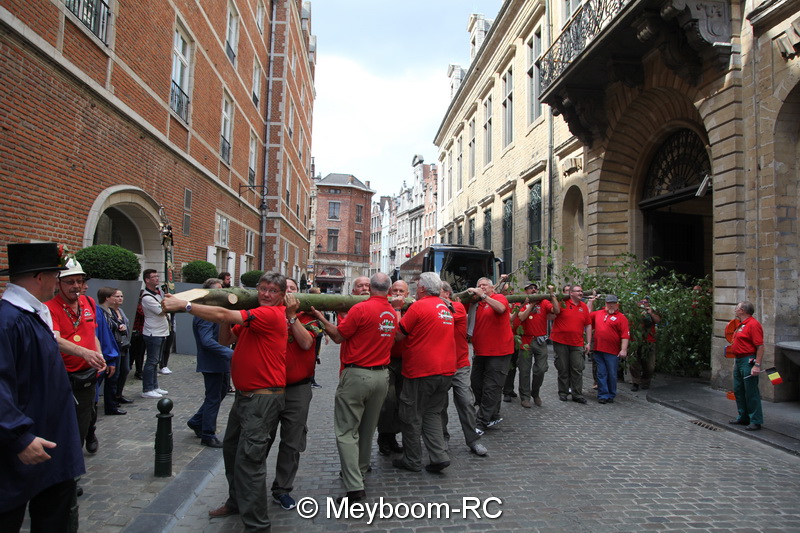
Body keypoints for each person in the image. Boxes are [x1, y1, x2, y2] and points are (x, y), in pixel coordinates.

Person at [163, 272, 292, 531]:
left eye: (272, 291)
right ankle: (236, 502)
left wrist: (185, 306)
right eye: (263, 289)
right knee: (232, 452)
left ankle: (257, 525)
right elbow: (225, 339)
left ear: (282, 296)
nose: (266, 294)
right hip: (245, 397)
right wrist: (229, 307)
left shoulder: (270, 314)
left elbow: (222, 316)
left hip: (262, 398)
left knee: (250, 461)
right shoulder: (254, 316)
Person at [0, 242, 86, 533]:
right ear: (40, 277)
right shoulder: (8, 321)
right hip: (22, 447)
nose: (57, 281)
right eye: (56, 275)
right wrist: (19, 437)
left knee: (54, 516)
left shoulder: (32, 314)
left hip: (50, 439)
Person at [310, 272, 397, 503]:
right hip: (381, 376)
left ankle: (354, 487)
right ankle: (360, 469)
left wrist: (321, 318)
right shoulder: (391, 312)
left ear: (371, 288)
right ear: (388, 290)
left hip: (358, 374)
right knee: (368, 429)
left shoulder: (361, 309)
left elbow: (338, 337)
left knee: (347, 432)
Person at [391, 272, 455, 473]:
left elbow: (398, 334)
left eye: (417, 285)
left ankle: (412, 459)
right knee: (432, 413)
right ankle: (438, 455)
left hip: (422, 371)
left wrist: (397, 310)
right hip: (445, 371)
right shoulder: (445, 307)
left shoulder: (419, 306)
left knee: (410, 415)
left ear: (422, 288)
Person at [45, 259, 107, 455]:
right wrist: (84, 353)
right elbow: (55, 339)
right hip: (63, 376)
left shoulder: (88, 302)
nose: (76, 286)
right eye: (70, 282)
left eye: (80, 281)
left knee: (84, 418)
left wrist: (98, 354)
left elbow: (92, 334)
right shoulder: (49, 308)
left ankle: (77, 454)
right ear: (58, 283)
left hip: (87, 374)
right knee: (63, 424)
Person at [268, 277, 319, 511]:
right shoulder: (266, 314)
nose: (288, 292)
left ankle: (282, 488)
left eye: (292, 289)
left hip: (298, 388)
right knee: (260, 440)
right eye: (284, 289)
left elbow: (306, 343)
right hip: (268, 388)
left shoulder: (309, 317)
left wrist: (291, 317)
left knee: (292, 441)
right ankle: (248, 489)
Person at [440, 282, 487, 456]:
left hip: (459, 365)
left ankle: (473, 439)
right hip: (441, 365)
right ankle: (442, 438)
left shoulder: (457, 307)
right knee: (440, 405)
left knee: (466, 402)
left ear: (447, 294)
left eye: (438, 292)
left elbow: (444, 318)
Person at [186, 278, 233, 448]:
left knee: (221, 392)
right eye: (218, 290)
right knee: (213, 397)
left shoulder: (215, 310)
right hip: (212, 362)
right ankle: (208, 434)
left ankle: (196, 421)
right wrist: (230, 353)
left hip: (221, 361)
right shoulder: (205, 313)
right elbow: (206, 341)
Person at [467, 277, 515, 429]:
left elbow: (501, 309)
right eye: (479, 285)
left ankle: (481, 421)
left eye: (485, 285)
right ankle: (492, 414)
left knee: (491, 387)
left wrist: (483, 295)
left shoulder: (498, 297)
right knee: (476, 384)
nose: (482, 287)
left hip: (499, 352)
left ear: (492, 288)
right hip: (480, 351)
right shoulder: (476, 303)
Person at [541, 284, 592, 403]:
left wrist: (588, 342)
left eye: (581, 291)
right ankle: (563, 392)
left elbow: (588, 325)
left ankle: (577, 394)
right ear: (571, 293)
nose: (581, 293)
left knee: (577, 368)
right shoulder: (562, 303)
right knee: (563, 367)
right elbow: (552, 313)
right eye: (578, 291)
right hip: (561, 341)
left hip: (577, 342)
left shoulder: (583, 307)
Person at [377, 279, 408, 456]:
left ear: (407, 294)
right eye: (394, 290)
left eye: (401, 291)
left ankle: (393, 436)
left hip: (405, 361)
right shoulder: (387, 309)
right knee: (388, 401)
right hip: (387, 360)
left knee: (401, 401)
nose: (397, 294)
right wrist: (396, 309)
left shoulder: (410, 308)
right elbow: (395, 333)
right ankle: (384, 436)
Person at [727, 301, 764, 431]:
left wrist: (757, 365)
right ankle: (743, 416)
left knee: (751, 391)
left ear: (743, 310)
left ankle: (755, 420)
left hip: (748, 360)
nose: (735, 310)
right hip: (739, 360)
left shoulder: (753, 325)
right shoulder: (741, 324)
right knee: (739, 389)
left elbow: (760, 346)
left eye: (737, 308)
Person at [512, 282, 549, 407]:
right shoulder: (520, 304)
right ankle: (525, 397)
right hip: (526, 341)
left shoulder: (543, 302)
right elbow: (522, 317)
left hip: (540, 340)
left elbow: (555, 312)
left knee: (541, 369)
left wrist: (552, 295)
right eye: (530, 288)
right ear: (525, 291)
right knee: (524, 370)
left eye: (535, 288)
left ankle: (535, 392)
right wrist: (531, 304)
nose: (533, 290)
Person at [588, 295, 629, 404]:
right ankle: (603, 394)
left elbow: (625, 335)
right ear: (605, 303)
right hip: (598, 349)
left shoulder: (621, 317)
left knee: (612, 373)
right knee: (601, 373)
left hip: (612, 351)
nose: (611, 305)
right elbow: (586, 318)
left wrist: (623, 349)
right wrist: (590, 302)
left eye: (613, 303)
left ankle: (611, 394)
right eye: (608, 303)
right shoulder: (598, 313)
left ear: (617, 304)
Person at [140, 269, 170, 399]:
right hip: (153, 332)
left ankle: (154, 386)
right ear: (147, 280)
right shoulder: (147, 297)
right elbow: (162, 310)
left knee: (156, 361)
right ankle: (147, 388)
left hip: (161, 331)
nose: (157, 278)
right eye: (154, 277)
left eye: (157, 276)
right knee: (151, 361)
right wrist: (168, 306)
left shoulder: (157, 294)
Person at [96, 287, 126, 415]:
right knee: (108, 377)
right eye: (115, 296)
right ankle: (107, 405)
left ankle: (111, 404)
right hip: (108, 348)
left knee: (114, 377)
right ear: (107, 298)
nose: (118, 298)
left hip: (115, 346)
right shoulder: (101, 312)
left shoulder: (111, 311)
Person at [104, 288, 133, 405]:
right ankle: (112, 399)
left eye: (121, 296)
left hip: (124, 344)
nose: (120, 298)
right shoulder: (108, 312)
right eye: (117, 296)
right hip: (115, 344)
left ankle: (118, 394)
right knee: (114, 373)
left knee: (125, 370)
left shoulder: (121, 311)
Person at [630, 297, 661, 391]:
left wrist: (650, 313)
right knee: (634, 363)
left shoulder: (652, 312)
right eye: (641, 302)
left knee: (649, 365)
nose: (643, 303)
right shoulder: (633, 312)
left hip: (649, 341)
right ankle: (635, 382)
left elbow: (658, 321)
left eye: (645, 302)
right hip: (635, 340)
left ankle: (645, 381)